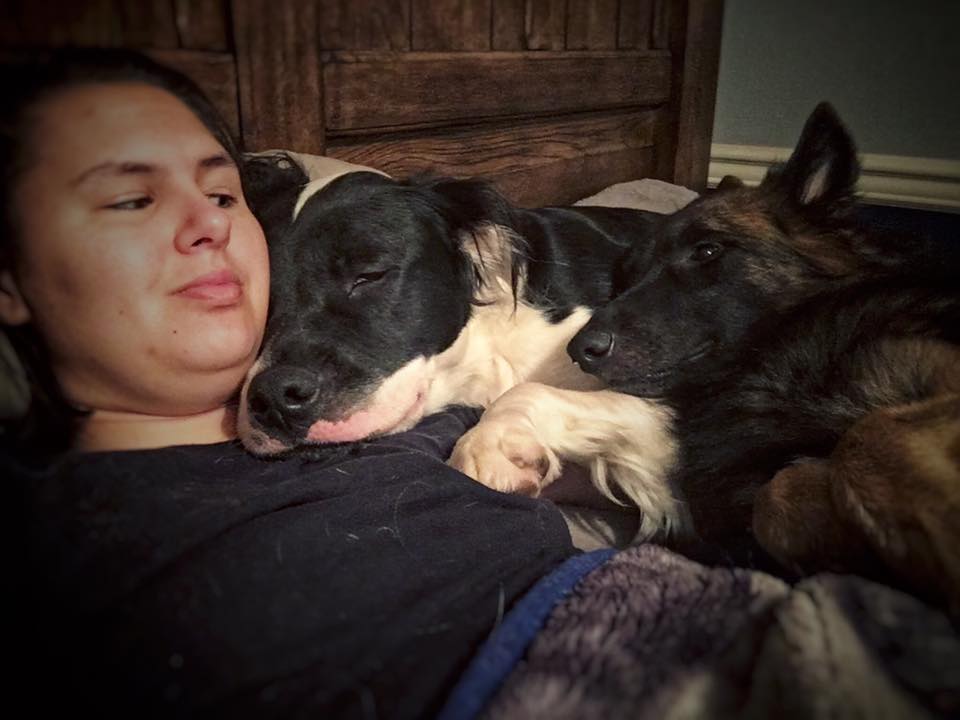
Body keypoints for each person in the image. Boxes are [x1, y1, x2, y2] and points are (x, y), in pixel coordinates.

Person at [1, 48, 577, 719]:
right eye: (134, 198)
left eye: (222, 194)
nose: (211, 223)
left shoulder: (400, 391)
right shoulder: (62, 559)